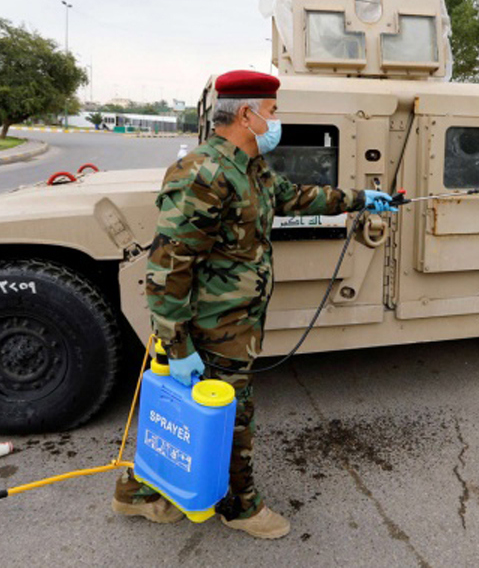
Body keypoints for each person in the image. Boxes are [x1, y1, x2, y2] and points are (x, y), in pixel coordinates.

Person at [112, 70, 395, 539]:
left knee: (189, 417)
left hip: (239, 321)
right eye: (273, 111)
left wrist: (362, 199)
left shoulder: (250, 167)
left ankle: (140, 492)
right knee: (231, 414)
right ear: (247, 114)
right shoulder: (203, 173)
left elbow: (295, 197)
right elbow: (167, 270)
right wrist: (177, 346)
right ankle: (239, 505)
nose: (276, 120)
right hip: (212, 326)